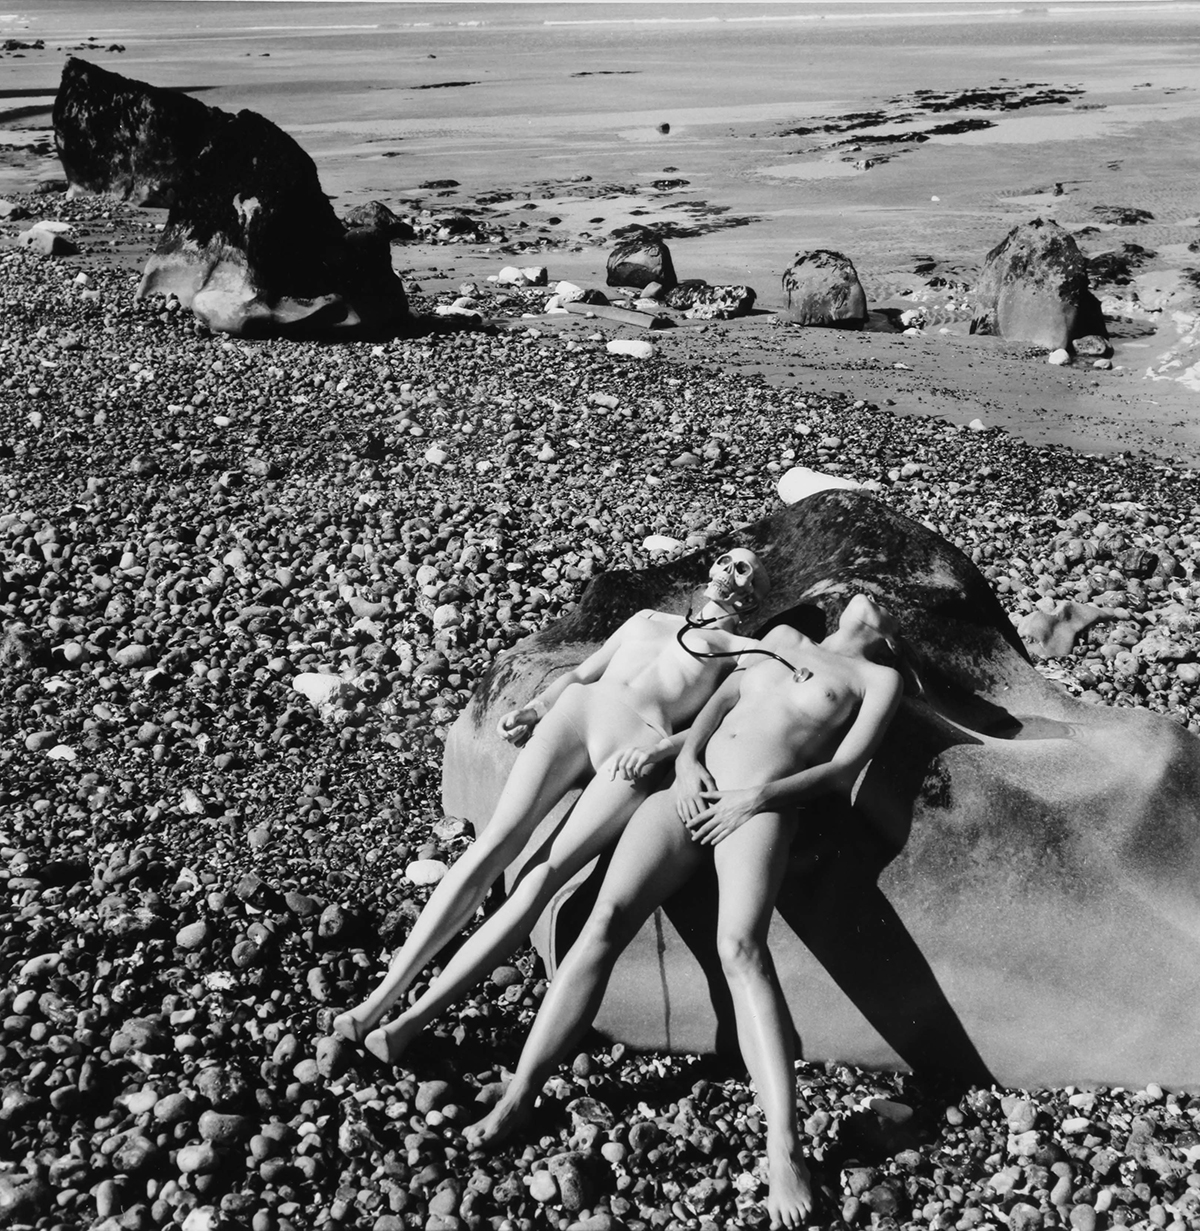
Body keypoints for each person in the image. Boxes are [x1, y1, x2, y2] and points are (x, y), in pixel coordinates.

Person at [465, 594, 905, 1231]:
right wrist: (690, 759)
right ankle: (519, 1095)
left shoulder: (877, 678)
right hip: (688, 791)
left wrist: (755, 798)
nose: (875, 597)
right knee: (604, 921)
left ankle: (784, 1148)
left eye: (889, 603)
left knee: (740, 949)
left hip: (758, 808)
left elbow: (842, 769)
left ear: (891, 636)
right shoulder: (783, 637)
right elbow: (721, 702)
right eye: (868, 589)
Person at [333, 548, 772, 1061]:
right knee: (495, 842)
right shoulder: (648, 619)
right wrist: (535, 707)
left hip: (636, 748)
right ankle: (378, 1000)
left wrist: (664, 751)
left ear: (755, 597)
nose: (727, 572)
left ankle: (411, 1022)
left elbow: (721, 723)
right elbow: (583, 674)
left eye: (744, 570)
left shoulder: (745, 652)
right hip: (579, 713)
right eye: (725, 561)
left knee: (542, 877)